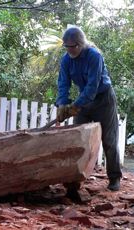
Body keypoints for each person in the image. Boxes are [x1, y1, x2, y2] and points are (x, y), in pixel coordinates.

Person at [56, 26, 122, 191]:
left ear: (79, 44)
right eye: (66, 47)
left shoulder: (94, 56)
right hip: (84, 100)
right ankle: (74, 181)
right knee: (78, 138)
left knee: (109, 140)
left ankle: (114, 178)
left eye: (71, 46)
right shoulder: (66, 60)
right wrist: (63, 105)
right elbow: (63, 83)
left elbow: (92, 87)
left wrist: (75, 106)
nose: (69, 50)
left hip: (103, 99)